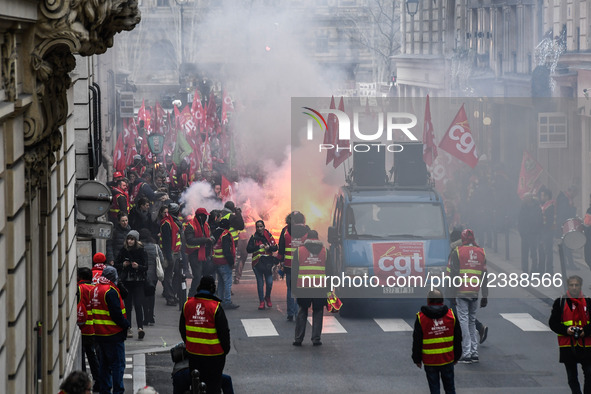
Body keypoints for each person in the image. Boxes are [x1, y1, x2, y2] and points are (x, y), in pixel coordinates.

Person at [179, 276, 231, 394]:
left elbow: (182, 329)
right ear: (212, 288)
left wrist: (189, 344)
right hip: (214, 355)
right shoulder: (215, 307)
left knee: (196, 383)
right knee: (214, 386)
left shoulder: (187, 304)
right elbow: (224, 332)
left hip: (193, 354)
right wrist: (225, 350)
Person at [447, 228, 488, 363]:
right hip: (475, 292)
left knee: (463, 321)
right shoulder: (481, 252)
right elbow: (484, 276)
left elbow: (452, 274)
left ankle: (466, 353)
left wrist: (451, 294)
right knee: (471, 320)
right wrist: (485, 296)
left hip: (461, 291)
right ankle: (474, 352)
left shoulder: (457, 252)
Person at [412, 289, 462, 394]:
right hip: (447, 359)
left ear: (428, 300)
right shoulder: (451, 316)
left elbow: (417, 341)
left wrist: (417, 359)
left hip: (430, 361)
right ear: (442, 300)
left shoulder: (421, 318)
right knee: (450, 389)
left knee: (434, 390)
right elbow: (458, 338)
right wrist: (457, 356)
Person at [549, 275, 591, 394]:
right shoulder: (560, 302)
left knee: (589, 373)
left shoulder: (588, 302)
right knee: (572, 377)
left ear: (580, 286)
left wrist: (585, 331)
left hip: (587, 345)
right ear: (568, 286)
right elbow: (553, 323)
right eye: (571, 285)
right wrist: (566, 330)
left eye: (576, 285)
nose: (574, 288)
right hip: (568, 345)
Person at [92, 266, 130, 394]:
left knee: (104, 365)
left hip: (100, 333)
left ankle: (105, 390)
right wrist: (126, 324)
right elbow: (116, 314)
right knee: (118, 365)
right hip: (113, 333)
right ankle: (118, 391)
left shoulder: (96, 289)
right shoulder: (110, 291)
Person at [292, 230, 326, 346]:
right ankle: (316, 339)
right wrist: (330, 289)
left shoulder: (299, 251)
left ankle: (298, 339)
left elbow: (294, 272)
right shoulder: (325, 251)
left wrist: (294, 289)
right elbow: (330, 271)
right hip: (320, 287)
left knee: (302, 312)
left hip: (303, 287)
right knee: (318, 312)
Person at [114, 230, 148, 340]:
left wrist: (138, 266)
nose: (130, 241)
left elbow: (146, 266)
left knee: (138, 305)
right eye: (128, 239)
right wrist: (123, 265)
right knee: (127, 306)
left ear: (136, 240)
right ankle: (128, 327)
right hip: (127, 281)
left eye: (132, 239)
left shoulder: (142, 251)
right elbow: (116, 264)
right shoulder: (124, 250)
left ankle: (140, 328)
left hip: (138, 281)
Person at [278, 211, 309, 321]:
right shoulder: (307, 230)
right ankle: (299, 313)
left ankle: (290, 313)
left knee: (290, 290)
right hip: (303, 266)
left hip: (289, 265)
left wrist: (280, 261)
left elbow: (281, 248)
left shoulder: (285, 231)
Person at [170, 342, 235, 394]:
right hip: (199, 372)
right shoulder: (204, 347)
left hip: (179, 374)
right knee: (226, 380)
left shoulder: (182, 349)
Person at [76, 267, 100, 392]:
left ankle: (83, 383)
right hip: (95, 327)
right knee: (92, 355)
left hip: (83, 327)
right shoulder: (95, 289)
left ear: (80, 277)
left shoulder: (79, 288)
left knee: (82, 356)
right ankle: (98, 380)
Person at [246, 220, 278, 310]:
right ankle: (261, 302)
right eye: (258, 227)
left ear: (264, 226)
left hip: (267, 263)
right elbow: (248, 249)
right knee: (260, 283)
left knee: (269, 282)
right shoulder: (253, 237)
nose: (259, 228)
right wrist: (257, 247)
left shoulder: (269, 236)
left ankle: (267, 297)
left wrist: (269, 248)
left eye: (261, 226)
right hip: (257, 263)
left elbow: (275, 248)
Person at [185, 208, 215, 297]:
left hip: (205, 254)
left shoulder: (206, 225)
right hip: (194, 254)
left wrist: (212, 239)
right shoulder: (190, 225)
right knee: (197, 276)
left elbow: (210, 235)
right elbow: (190, 240)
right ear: (200, 216)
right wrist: (205, 240)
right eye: (204, 215)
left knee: (206, 275)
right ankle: (191, 296)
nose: (206, 217)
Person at [212, 218, 239, 309]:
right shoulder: (225, 235)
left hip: (216, 261)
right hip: (224, 262)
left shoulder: (215, 233)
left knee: (220, 282)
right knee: (227, 282)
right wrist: (231, 262)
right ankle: (227, 301)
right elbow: (227, 251)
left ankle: (220, 300)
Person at [139, 228, 164, 326]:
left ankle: (145, 317)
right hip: (153, 276)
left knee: (144, 296)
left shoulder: (139, 247)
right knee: (151, 295)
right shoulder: (156, 247)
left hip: (143, 275)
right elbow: (161, 259)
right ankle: (151, 316)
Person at [159, 205, 182, 306]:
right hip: (170, 253)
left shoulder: (175, 222)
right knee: (168, 276)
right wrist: (169, 257)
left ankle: (173, 294)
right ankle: (169, 297)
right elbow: (167, 242)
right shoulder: (166, 223)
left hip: (177, 252)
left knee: (177, 273)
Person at [518, 192, 542, 274]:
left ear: (530, 198)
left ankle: (534, 270)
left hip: (533, 234)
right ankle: (525, 271)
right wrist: (521, 232)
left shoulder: (537, 207)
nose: (524, 199)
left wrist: (536, 231)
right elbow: (520, 220)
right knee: (524, 254)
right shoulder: (522, 207)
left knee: (533, 254)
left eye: (526, 198)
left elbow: (539, 220)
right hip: (524, 234)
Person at [538, 187, 556, 274]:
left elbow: (548, 221)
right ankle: (544, 270)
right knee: (544, 251)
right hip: (543, 231)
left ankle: (549, 270)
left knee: (547, 251)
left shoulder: (549, 207)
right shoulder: (543, 205)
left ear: (547, 196)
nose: (541, 197)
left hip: (547, 232)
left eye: (543, 195)